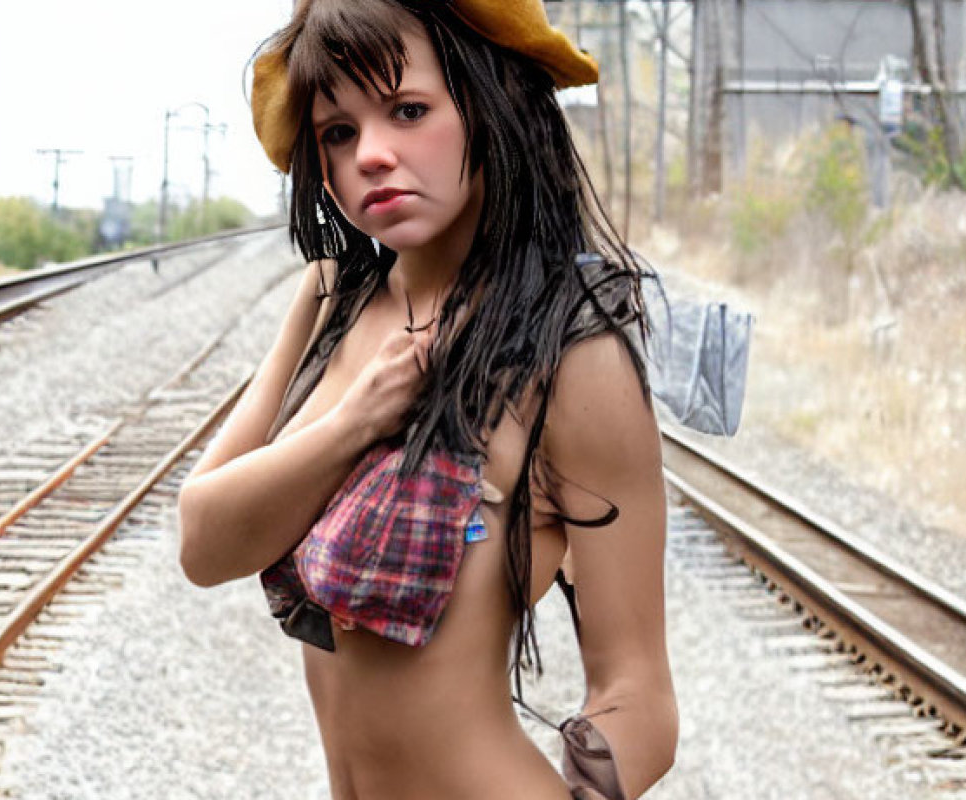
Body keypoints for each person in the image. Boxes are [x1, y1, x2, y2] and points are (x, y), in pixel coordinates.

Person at [176, 0, 678, 797]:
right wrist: (357, 421)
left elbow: (639, 693)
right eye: (338, 132)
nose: (372, 154)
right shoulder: (332, 299)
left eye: (408, 111)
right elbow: (205, 541)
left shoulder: (570, 353)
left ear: (492, 102)